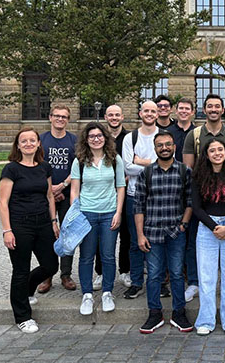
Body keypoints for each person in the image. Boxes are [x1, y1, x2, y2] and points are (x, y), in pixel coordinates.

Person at [182, 93, 225, 302]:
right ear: (204, 109)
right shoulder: (195, 135)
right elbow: (189, 169)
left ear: (222, 109)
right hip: (204, 203)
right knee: (198, 254)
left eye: (217, 106)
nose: (214, 109)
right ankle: (194, 284)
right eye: (210, 106)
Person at [0, 128, 59, 333]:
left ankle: (28, 290)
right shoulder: (11, 169)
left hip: (43, 223)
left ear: (38, 143)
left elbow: (50, 196)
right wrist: (7, 230)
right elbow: (3, 202)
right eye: (23, 141)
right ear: (18, 145)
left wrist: (53, 221)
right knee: (20, 270)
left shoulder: (44, 167)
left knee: (51, 265)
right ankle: (23, 316)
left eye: (32, 140)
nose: (28, 144)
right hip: (20, 225)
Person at [136, 130, 194, 334]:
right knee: (153, 275)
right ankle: (154, 313)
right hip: (152, 232)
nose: (164, 148)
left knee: (177, 273)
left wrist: (183, 225)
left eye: (168, 144)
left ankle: (179, 312)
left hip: (175, 232)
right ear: (155, 148)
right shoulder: (147, 172)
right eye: (160, 145)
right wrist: (140, 234)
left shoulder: (184, 171)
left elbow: (190, 201)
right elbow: (139, 205)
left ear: (174, 147)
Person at [69, 122, 126, 315]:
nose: (96, 139)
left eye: (99, 135)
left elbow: (120, 187)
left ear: (105, 138)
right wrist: (75, 214)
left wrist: (118, 212)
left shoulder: (115, 159)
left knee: (108, 255)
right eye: (92, 136)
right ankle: (87, 294)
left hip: (109, 212)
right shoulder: (79, 161)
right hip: (87, 213)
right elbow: (75, 190)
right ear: (86, 139)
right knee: (86, 256)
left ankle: (107, 292)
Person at [192, 140, 225, 336]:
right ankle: (206, 320)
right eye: (212, 150)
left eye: (220, 150)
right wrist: (215, 227)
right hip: (208, 229)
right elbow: (197, 208)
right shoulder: (199, 176)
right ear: (206, 154)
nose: (216, 153)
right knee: (207, 277)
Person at [120, 100, 160, 300]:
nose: (150, 114)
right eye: (147, 110)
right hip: (134, 195)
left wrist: (140, 161)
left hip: (158, 195)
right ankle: (136, 282)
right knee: (136, 241)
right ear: (140, 113)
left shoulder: (162, 136)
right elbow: (127, 168)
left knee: (157, 241)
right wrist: (151, 163)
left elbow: (165, 164)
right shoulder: (130, 137)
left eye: (154, 111)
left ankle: (158, 281)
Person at [37, 104, 77, 293]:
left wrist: (62, 186)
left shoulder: (74, 141)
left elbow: (78, 168)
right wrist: (49, 190)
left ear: (68, 120)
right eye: (57, 116)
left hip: (67, 194)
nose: (60, 119)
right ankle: (47, 275)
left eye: (64, 117)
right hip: (45, 196)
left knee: (67, 234)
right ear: (50, 117)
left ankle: (65, 274)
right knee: (46, 236)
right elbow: (35, 166)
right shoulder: (41, 140)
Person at [93, 104, 131, 291]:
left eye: (117, 115)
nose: (114, 118)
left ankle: (125, 270)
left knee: (126, 234)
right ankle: (100, 273)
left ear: (122, 117)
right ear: (105, 117)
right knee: (102, 235)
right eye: (110, 115)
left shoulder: (130, 137)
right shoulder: (99, 138)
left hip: (125, 191)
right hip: (103, 193)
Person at [169, 97, 195, 163]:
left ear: (192, 112)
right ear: (176, 111)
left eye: (187, 109)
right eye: (181, 108)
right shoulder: (167, 132)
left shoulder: (197, 132)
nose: (184, 111)